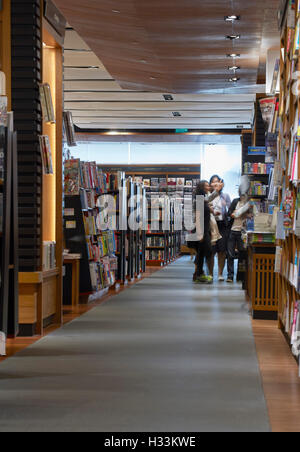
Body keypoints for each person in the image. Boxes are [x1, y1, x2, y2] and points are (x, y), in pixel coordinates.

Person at [188, 180, 223, 284]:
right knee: (205, 251)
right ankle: (199, 274)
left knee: (202, 252)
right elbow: (198, 217)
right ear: (202, 187)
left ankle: (199, 274)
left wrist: (213, 212)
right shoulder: (199, 199)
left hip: (205, 229)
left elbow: (207, 206)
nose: (208, 187)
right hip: (201, 229)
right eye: (207, 186)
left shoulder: (202, 199)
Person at [208, 175, 231, 281]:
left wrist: (226, 206)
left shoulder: (225, 196)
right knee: (211, 251)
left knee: (222, 251)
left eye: (218, 182)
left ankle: (220, 274)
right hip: (211, 225)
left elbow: (231, 210)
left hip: (223, 225)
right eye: (213, 182)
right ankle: (211, 274)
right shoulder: (208, 196)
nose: (216, 184)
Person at [227, 190, 252, 283]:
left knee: (242, 255)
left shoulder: (249, 203)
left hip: (243, 232)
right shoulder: (235, 201)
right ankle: (230, 276)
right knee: (230, 254)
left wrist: (245, 214)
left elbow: (251, 216)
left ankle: (240, 276)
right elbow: (229, 213)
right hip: (232, 230)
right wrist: (233, 214)